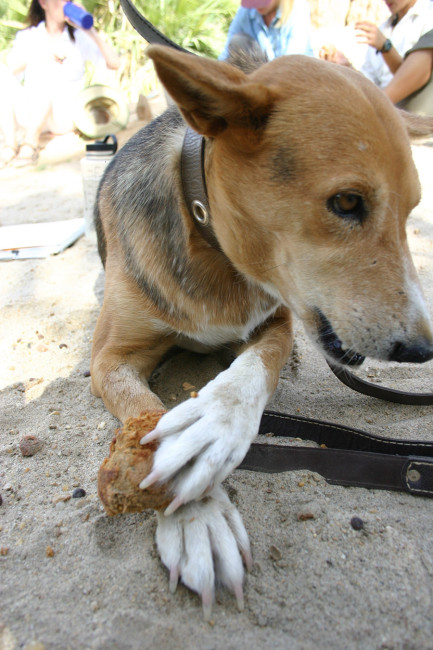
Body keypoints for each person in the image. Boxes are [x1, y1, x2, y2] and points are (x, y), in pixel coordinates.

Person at [0, 0, 120, 168]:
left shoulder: (78, 37)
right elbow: (11, 70)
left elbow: (114, 63)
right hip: (32, 111)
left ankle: (30, 144)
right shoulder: (30, 36)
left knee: (49, 71)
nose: (64, 4)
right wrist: (42, 52)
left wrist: (89, 30)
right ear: (43, 3)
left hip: (63, 115)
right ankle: (10, 145)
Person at [320, 0, 433, 113]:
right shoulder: (383, 29)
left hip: (408, 116)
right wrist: (346, 68)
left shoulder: (428, 17)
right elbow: (370, 84)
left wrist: (386, 47)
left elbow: (416, 75)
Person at [219, 0, 314, 62]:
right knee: (238, 41)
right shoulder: (245, 11)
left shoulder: (298, 9)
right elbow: (226, 52)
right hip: (261, 74)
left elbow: (292, 60)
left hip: (292, 75)